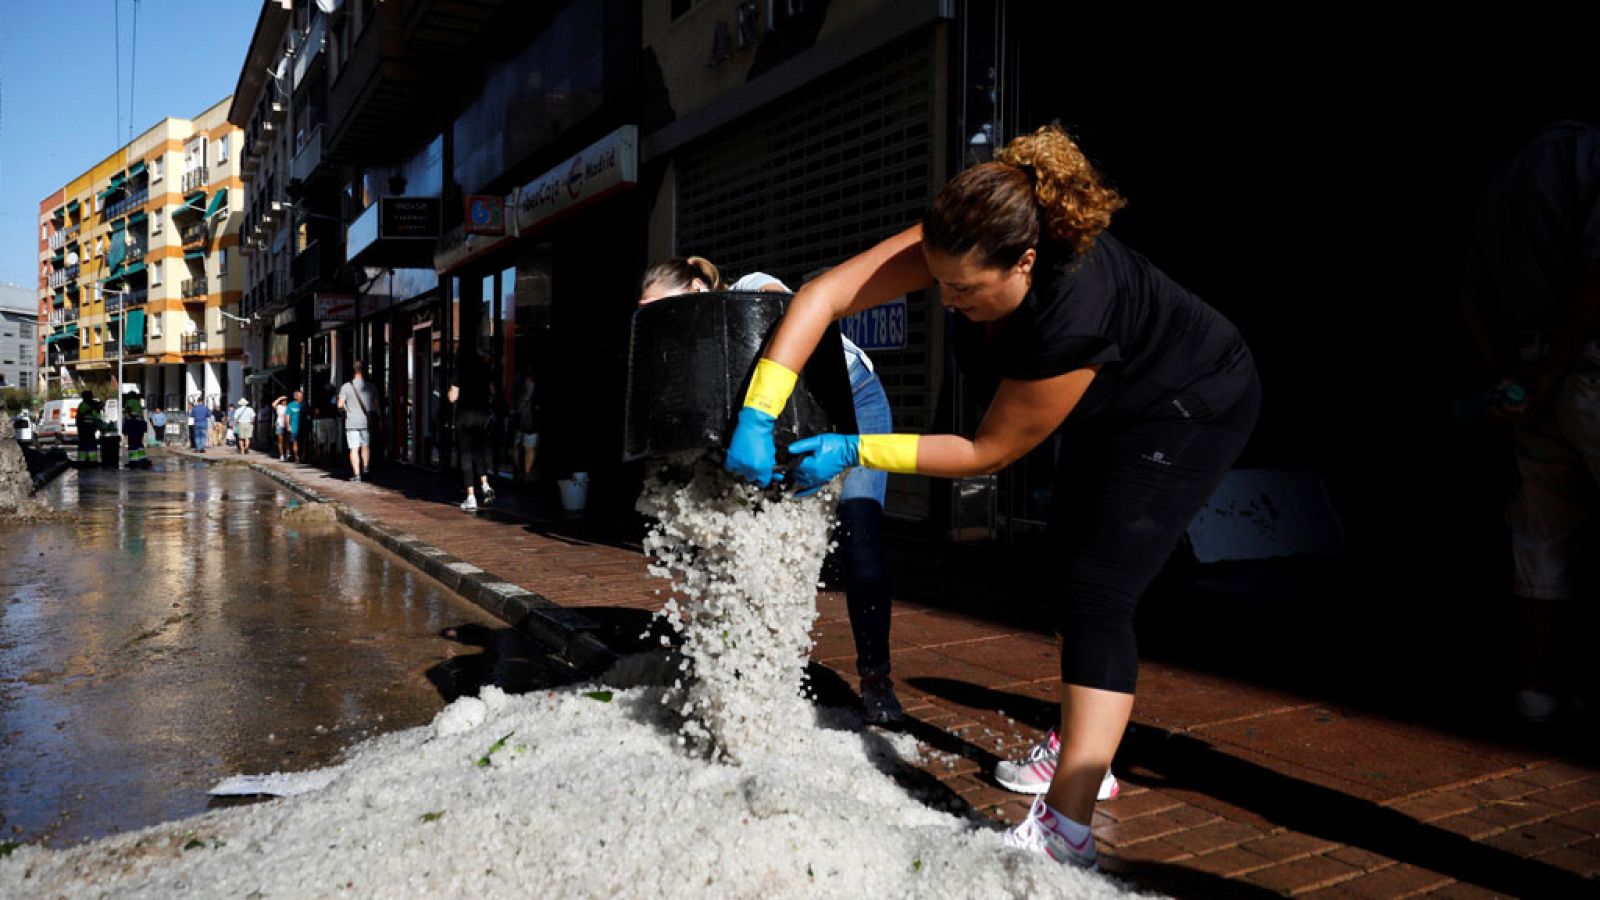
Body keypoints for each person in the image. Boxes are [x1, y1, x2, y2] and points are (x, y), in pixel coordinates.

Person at [724, 125, 1260, 869]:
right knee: (1069, 557)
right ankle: (1084, 743)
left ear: (1027, 262)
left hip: (1190, 402)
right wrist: (759, 408)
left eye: (965, 291)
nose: (945, 300)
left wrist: (856, 450)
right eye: (938, 280)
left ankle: (1067, 823)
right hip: (1112, 397)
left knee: (1099, 588)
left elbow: (991, 451)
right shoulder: (966, 233)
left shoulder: (1074, 309)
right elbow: (826, 293)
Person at [640, 256, 906, 724]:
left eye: (669, 307)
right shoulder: (692, 358)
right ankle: (752, 671)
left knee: (858, 535)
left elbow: (787, 306)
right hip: (781, 423)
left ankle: (876, 679)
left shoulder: (751, 286)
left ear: (700, 290)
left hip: (850, 398)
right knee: (748, 545)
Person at [1458, 120, 1600, 726]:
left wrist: (1516, 381)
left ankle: (1538, 689)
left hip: (1530, 370)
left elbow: (1469, 296)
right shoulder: (1590, 153)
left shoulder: (1511, 169)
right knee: (1550, 535)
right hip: (1586, 362)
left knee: (1544, 537)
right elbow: (1598, 277)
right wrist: (1548, 376)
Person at [448, 347, 497, 512]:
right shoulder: (485, 369)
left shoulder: (459, 370)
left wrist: (451, 391)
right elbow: (493, 391)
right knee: (479, 451)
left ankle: (471, 497)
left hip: (465, 417)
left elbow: (452, 396)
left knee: (466, 456)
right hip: (482, 416)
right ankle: (484, 483)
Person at [337, 362, 377, 482]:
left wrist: (346, 409)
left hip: (352, 423)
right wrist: (379, 419)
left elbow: (339, 404)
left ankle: (357, 475)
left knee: (354, 449)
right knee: (365, 446)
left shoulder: (346, 387)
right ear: (364, 370)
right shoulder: (371, 386)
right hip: (365, 422)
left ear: (353, 371)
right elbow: (377, 405)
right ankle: (366, 468)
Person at [511, 366, 540, 485]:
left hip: (520, 417)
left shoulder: (518, 383)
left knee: (517, 445)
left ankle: (519, 471)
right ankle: (526, 473)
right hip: (529, 419)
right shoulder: (532, 385)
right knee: (529, 447)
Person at [122, 390, 150, 469]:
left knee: (132, 443)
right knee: (139, 443)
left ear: (130, 396)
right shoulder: (138, 403)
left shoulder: (129, 401)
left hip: (133, 424)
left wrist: (130, 418)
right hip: (140, 425)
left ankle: (133, 462)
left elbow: (129, 410)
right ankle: (142, 460)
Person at [76, 389, 103, 466]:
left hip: (85, 429)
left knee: (83, 445)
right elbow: (94, 416)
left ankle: (83, 461)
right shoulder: (86, 405)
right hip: (87, 429)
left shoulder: (84, 405)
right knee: (90, 445)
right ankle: (91, 461)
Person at [286, 390, 305, 463]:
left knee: (303, 442)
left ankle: (303, 457)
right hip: (294, 427)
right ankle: (296, 457)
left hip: (303, 426)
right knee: (295, 442)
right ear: (295, 397)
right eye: (300, 396)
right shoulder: (290, 405)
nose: (301, 397)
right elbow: (287, 416)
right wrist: (288, 425)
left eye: (302, 396)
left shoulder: (304, 405)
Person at [272, 396, 290, 460]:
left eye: (285, 401)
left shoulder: (288, 407)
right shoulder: (279, 407)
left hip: (286, 425)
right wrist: (279, 398)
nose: (284, 402)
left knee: (287, 441)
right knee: (280, 441)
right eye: (283, 401)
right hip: (279, 424)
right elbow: (273, 404)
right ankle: (281, 455)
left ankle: (287, 454)